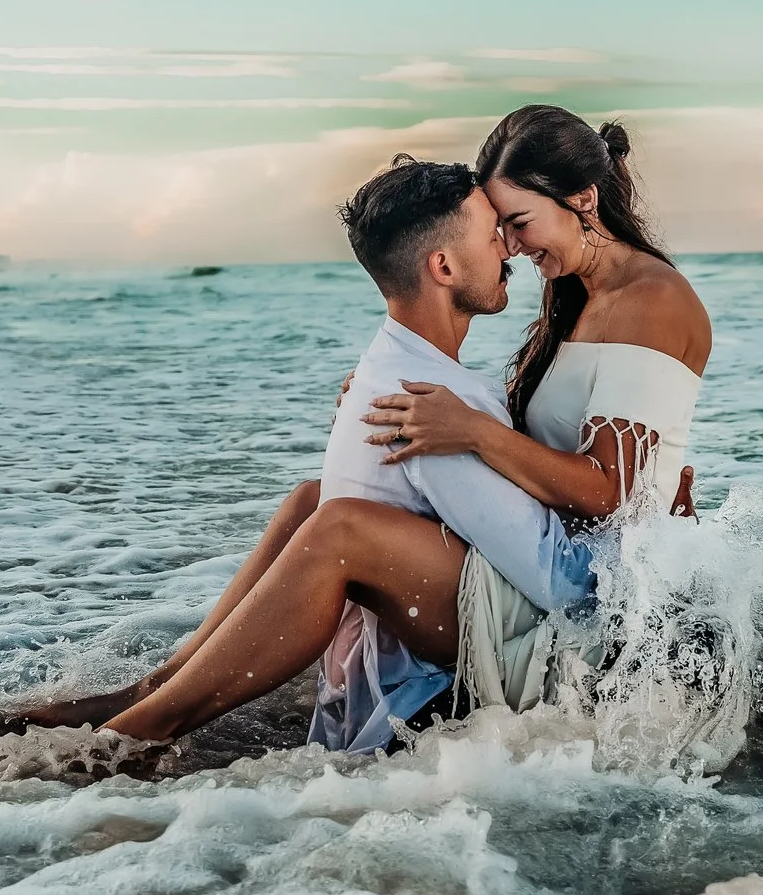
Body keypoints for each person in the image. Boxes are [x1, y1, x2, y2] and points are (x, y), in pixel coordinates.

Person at [42, 106, 710, 751]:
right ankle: (158, 684)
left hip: (593, 587)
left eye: (518, 223)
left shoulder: (647, 300)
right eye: (499, 227)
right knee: (314, 500)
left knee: (341, 527)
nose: (510, 244)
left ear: (583, 199)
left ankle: (145, 729)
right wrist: (393, 398)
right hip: (554, 549)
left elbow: (607, 489)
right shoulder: (576, 294)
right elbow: (538, 444)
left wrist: (471, 429)